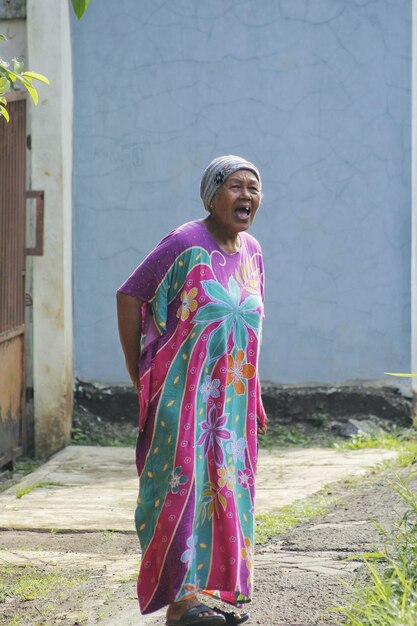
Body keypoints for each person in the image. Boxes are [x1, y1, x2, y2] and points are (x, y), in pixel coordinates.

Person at [117, 155, 268, 626]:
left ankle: (199, 596)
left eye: (254, 188)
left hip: (232, 402)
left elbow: (250, 325)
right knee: (179, 488)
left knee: (222, 491)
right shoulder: (184, 242)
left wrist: (255, 391)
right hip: (182, 398)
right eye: (236, 186)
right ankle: (180, 604)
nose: (247, 196)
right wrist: (138, 372)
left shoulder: (253, 251)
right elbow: (130, 294)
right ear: (211, 195)